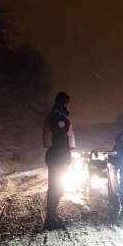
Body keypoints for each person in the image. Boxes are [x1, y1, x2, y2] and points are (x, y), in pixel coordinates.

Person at [43, 92, 74, 229]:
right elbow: (62, 140)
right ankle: (51, 219)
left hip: (55, 156)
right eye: (68, 103)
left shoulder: (54, 116)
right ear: (65, 103)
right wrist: (66, 156)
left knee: (57, 187)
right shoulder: (59, 119)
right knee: (57, 187)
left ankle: (52, 217)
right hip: (58, 157)